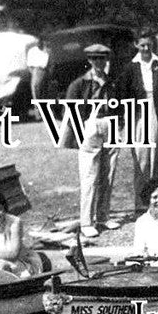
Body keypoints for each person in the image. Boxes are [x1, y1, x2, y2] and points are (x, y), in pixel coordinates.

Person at [116, 31, 158, 213]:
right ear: (136, 45)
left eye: (149, 45)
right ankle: (141, 203)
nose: (145, 48)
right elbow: (122, 95)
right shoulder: (130, 68)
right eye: (142, 45)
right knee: (142, 159)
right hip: (139, 115)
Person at [63, 44, 121, 238]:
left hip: (110, 123)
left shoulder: (111, 81)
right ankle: (86, 221)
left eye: (102, 58)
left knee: (108, 173)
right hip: (91, 124)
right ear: (89, 60)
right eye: (95, 58)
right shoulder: (80, 83)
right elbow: (69, 109)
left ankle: (103, 216)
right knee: (90, 175)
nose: (99, 62)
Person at [26, 36, 50, 103]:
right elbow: (29, 65)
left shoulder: (48, 51)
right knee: (36, 90)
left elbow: (50, 63)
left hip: (45, 71)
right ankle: (37, 106)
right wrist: (35, 73)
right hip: (36, 71)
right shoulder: (32, 51)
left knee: (45, 92)